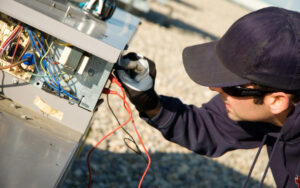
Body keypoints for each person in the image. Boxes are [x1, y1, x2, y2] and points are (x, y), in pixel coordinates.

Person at [116, 7, 300, 188]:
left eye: (231, 85)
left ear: (276, 101)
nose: (214, 87)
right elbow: (210, 126)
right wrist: (151, 104)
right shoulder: (265, 107)